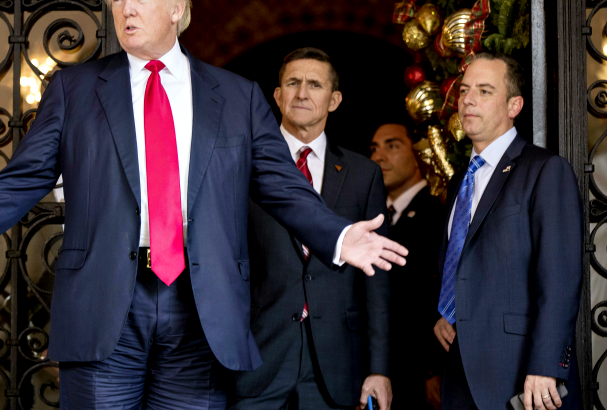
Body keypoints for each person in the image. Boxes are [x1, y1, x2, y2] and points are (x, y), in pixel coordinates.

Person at [0, 0, 408, 409]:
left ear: (176, 9)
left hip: (202, 307)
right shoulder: (76, 89)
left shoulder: (236, 96)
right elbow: (25, 178)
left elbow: (280, 183)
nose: (125, 10)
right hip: (105, 301)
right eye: (116, 0)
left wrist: (337, 235)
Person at [230, 48, 392, 410]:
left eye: (315, 84)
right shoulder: (241, 165)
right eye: (293, 82)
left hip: (335, 360)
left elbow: (376, 284)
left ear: (333, 100)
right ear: (277, 95)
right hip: (257, 354)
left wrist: (379, 369)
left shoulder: (363, 175)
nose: (302, 93)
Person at [433, 53, 582, 410]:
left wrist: (546, 367)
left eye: (484, 91)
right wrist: (445, 313)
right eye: (465, 89)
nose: (468, 99)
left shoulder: (545, 170)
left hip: (523, 377)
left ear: (514, 105)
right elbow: (465, 263)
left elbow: (560, 277)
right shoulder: (457, 182)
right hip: (459, 370)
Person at [370, 122, 446, 410]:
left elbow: (438, 295)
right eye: (374, 148)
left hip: (420, 377)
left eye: (392, 145)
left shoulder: (437, 212)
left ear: (418, 154)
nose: (379, 156)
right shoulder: (370, 214)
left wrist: (433, 368)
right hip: (380, 371)